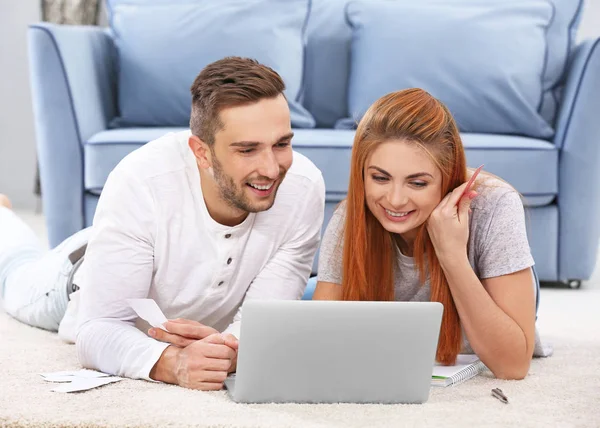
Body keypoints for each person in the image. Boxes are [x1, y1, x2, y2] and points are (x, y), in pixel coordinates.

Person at [0, 57, 325, 390]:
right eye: (247, 150)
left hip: (137, 236)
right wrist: (174, 363)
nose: (272, 169)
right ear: (201, 152)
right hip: (72, 277)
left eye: (282, 144)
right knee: (13, 271)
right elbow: (97, 329)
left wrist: (229, 351)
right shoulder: (140, 179)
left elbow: (264, 324)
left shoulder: (303, 187)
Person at [312, 88, 551, 380]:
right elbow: (322, 346)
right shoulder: (350, 216)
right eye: (380, 178)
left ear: (448, 176)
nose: (396, 199)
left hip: (489, 281)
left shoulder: (496, 205)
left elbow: (512, 365)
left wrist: (452, 256)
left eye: (417, 183)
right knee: (306, 300)